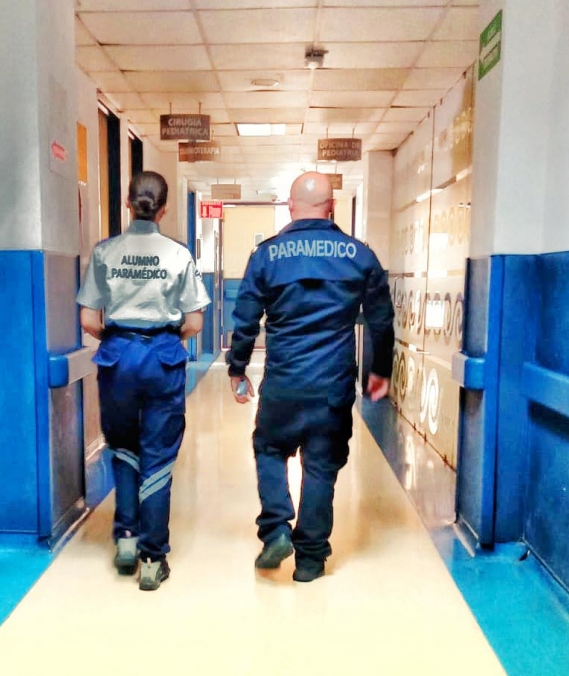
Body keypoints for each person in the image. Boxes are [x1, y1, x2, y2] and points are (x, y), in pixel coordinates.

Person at [227, 171, 394, 583]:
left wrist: (237, 368)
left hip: (283, 382)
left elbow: (245, 319)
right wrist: (380, 371)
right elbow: (381, 321)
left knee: (269, 448)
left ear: (290, 206)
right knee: (320, 465)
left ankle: (276, 529)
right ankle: (310, 561)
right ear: (332, 207)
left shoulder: (267, 255)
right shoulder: (359, 255)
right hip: (333, 386)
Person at [78, 171, 210, 591]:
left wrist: (118, 339)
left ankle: (126, 539)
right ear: (164, 209)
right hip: (162, 359)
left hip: (118, 358)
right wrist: (164, 339)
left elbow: (88, 319)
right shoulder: (179, 255)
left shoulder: (105, 252)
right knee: (158, 455)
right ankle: (152, 559)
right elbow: (194, 323)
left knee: (123, 448)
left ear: (127, 203)